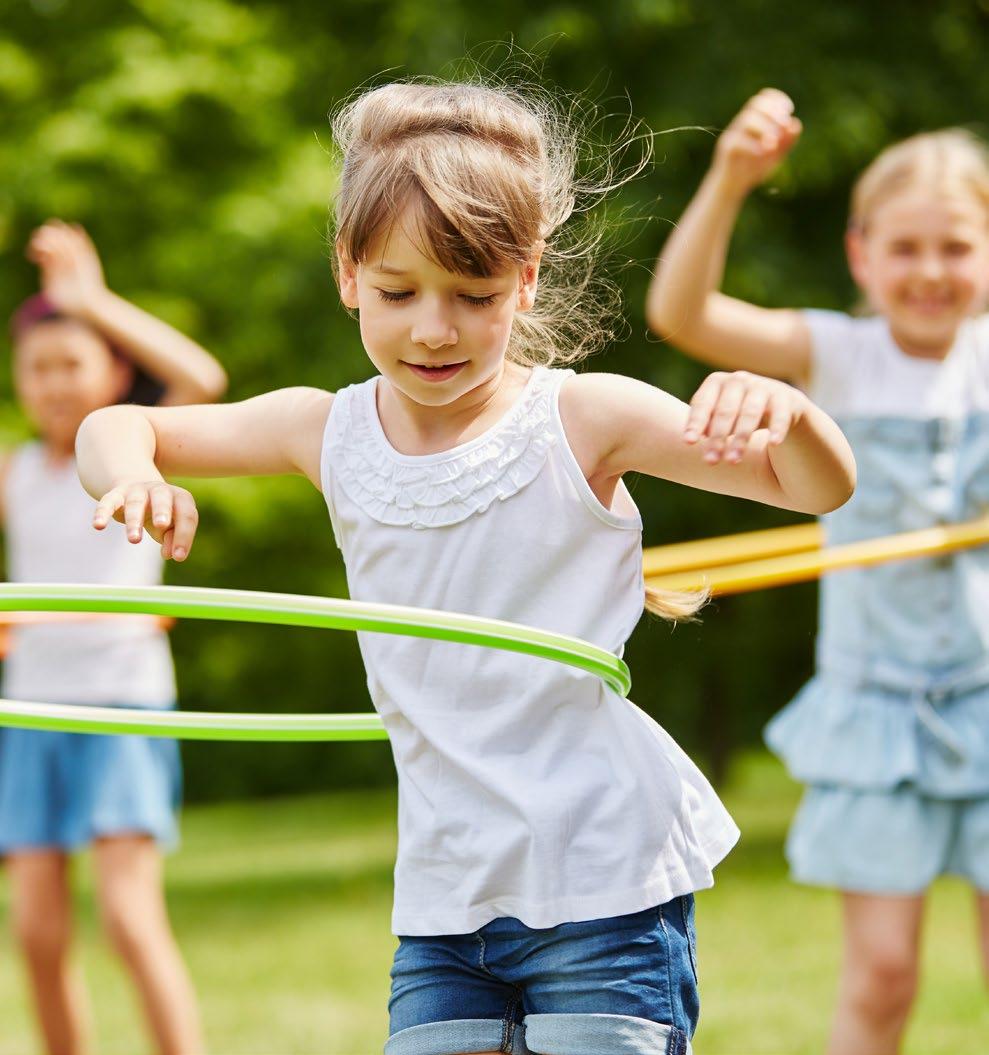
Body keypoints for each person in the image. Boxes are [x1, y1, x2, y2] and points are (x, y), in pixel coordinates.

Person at [75, 80, 854, 1055]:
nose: (432, 329)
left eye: (472, 295)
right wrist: (135, 474)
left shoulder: (584, 418)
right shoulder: (324, 429)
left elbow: (811, 488)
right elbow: (114, 422)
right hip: (444, 897)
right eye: (398, 291)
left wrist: (789, 410)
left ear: (524, 281)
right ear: (348, 272)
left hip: (600, 879)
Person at [646, 88, 989, 1055]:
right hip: (876, 711)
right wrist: (730, 178)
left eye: (957, 246)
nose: (930, 271)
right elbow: (679, 313)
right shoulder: (833, 351)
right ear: (860, 255)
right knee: (881, 977)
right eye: (905, 247)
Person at [1, 220, 227, 1055]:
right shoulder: (16, 472)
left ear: (113, 372)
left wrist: (91, 300)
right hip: (28, 710)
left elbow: (202, 375)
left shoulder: (135, 450)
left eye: (73, 363)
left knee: (131, 920)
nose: (55, 384)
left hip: (122, 701)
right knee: (34, 931)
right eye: (38, 368)